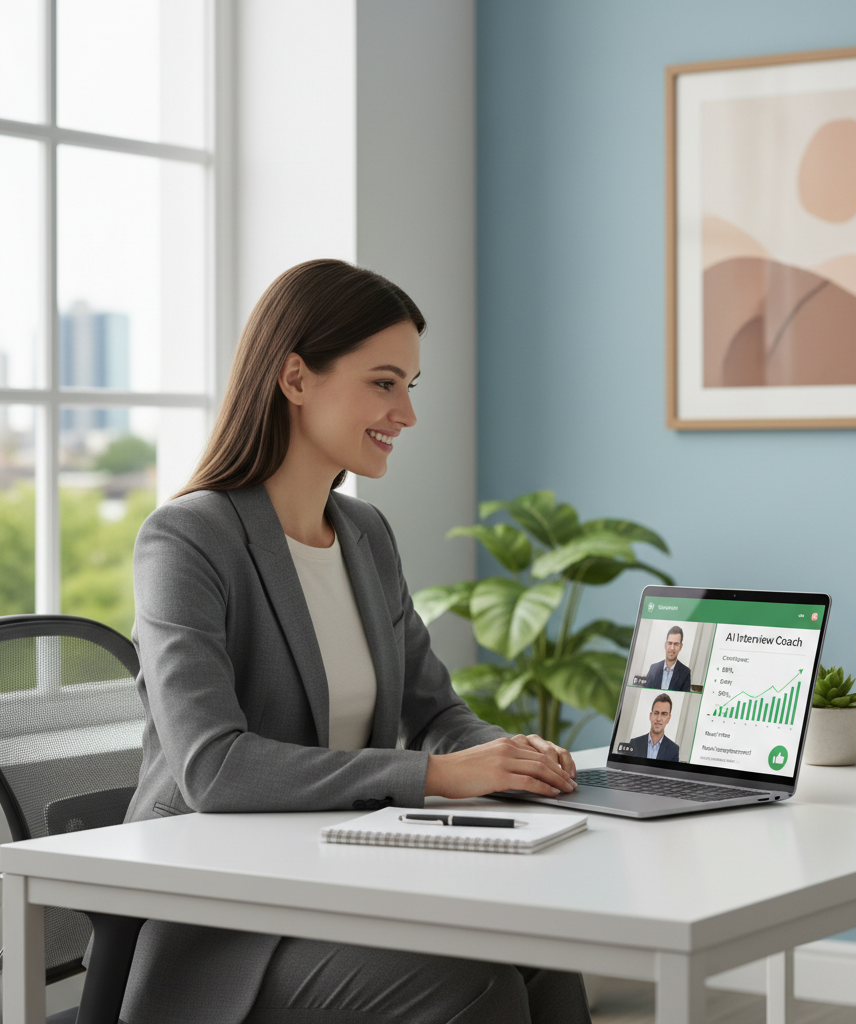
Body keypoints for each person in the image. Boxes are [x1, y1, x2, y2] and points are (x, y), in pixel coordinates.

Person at [119, 260, 591, 1024]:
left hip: (345, 881)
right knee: (478, 988)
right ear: (296, 378)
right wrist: (439, 775)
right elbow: (214, 767)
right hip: (232, 923)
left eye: (410, 385)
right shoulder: (187, 538)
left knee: (547, 954)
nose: (406, 413)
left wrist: (509, 758)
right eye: (383, 383)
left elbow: (435, 712)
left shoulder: (366, 534)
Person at [629, 693, 680, 762]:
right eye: (656, 713)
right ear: (651, 716)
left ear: (669, 718)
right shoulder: (634, 743)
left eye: (664, 714)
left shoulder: (674, 750)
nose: (659, 718)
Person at [643, 625, 691, 691]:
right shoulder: (653, 668)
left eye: (676, 644)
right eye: (670, 643)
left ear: (681, 647)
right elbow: (646, 692)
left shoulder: (685, 673)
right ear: (665, 645)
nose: (672, 648)